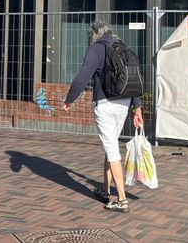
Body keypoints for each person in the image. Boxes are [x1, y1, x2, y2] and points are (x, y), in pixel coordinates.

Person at [61, 21, 144, 213]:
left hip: (105, 103)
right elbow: (133, 78)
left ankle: (122, 200)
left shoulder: (96, 49)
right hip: (124, 102)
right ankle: (105, 189)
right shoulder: (122, 47)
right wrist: (137, 108)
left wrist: (68, 100)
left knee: (112, 149)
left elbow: (83, 76)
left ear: (93, 35)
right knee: (111, 144)